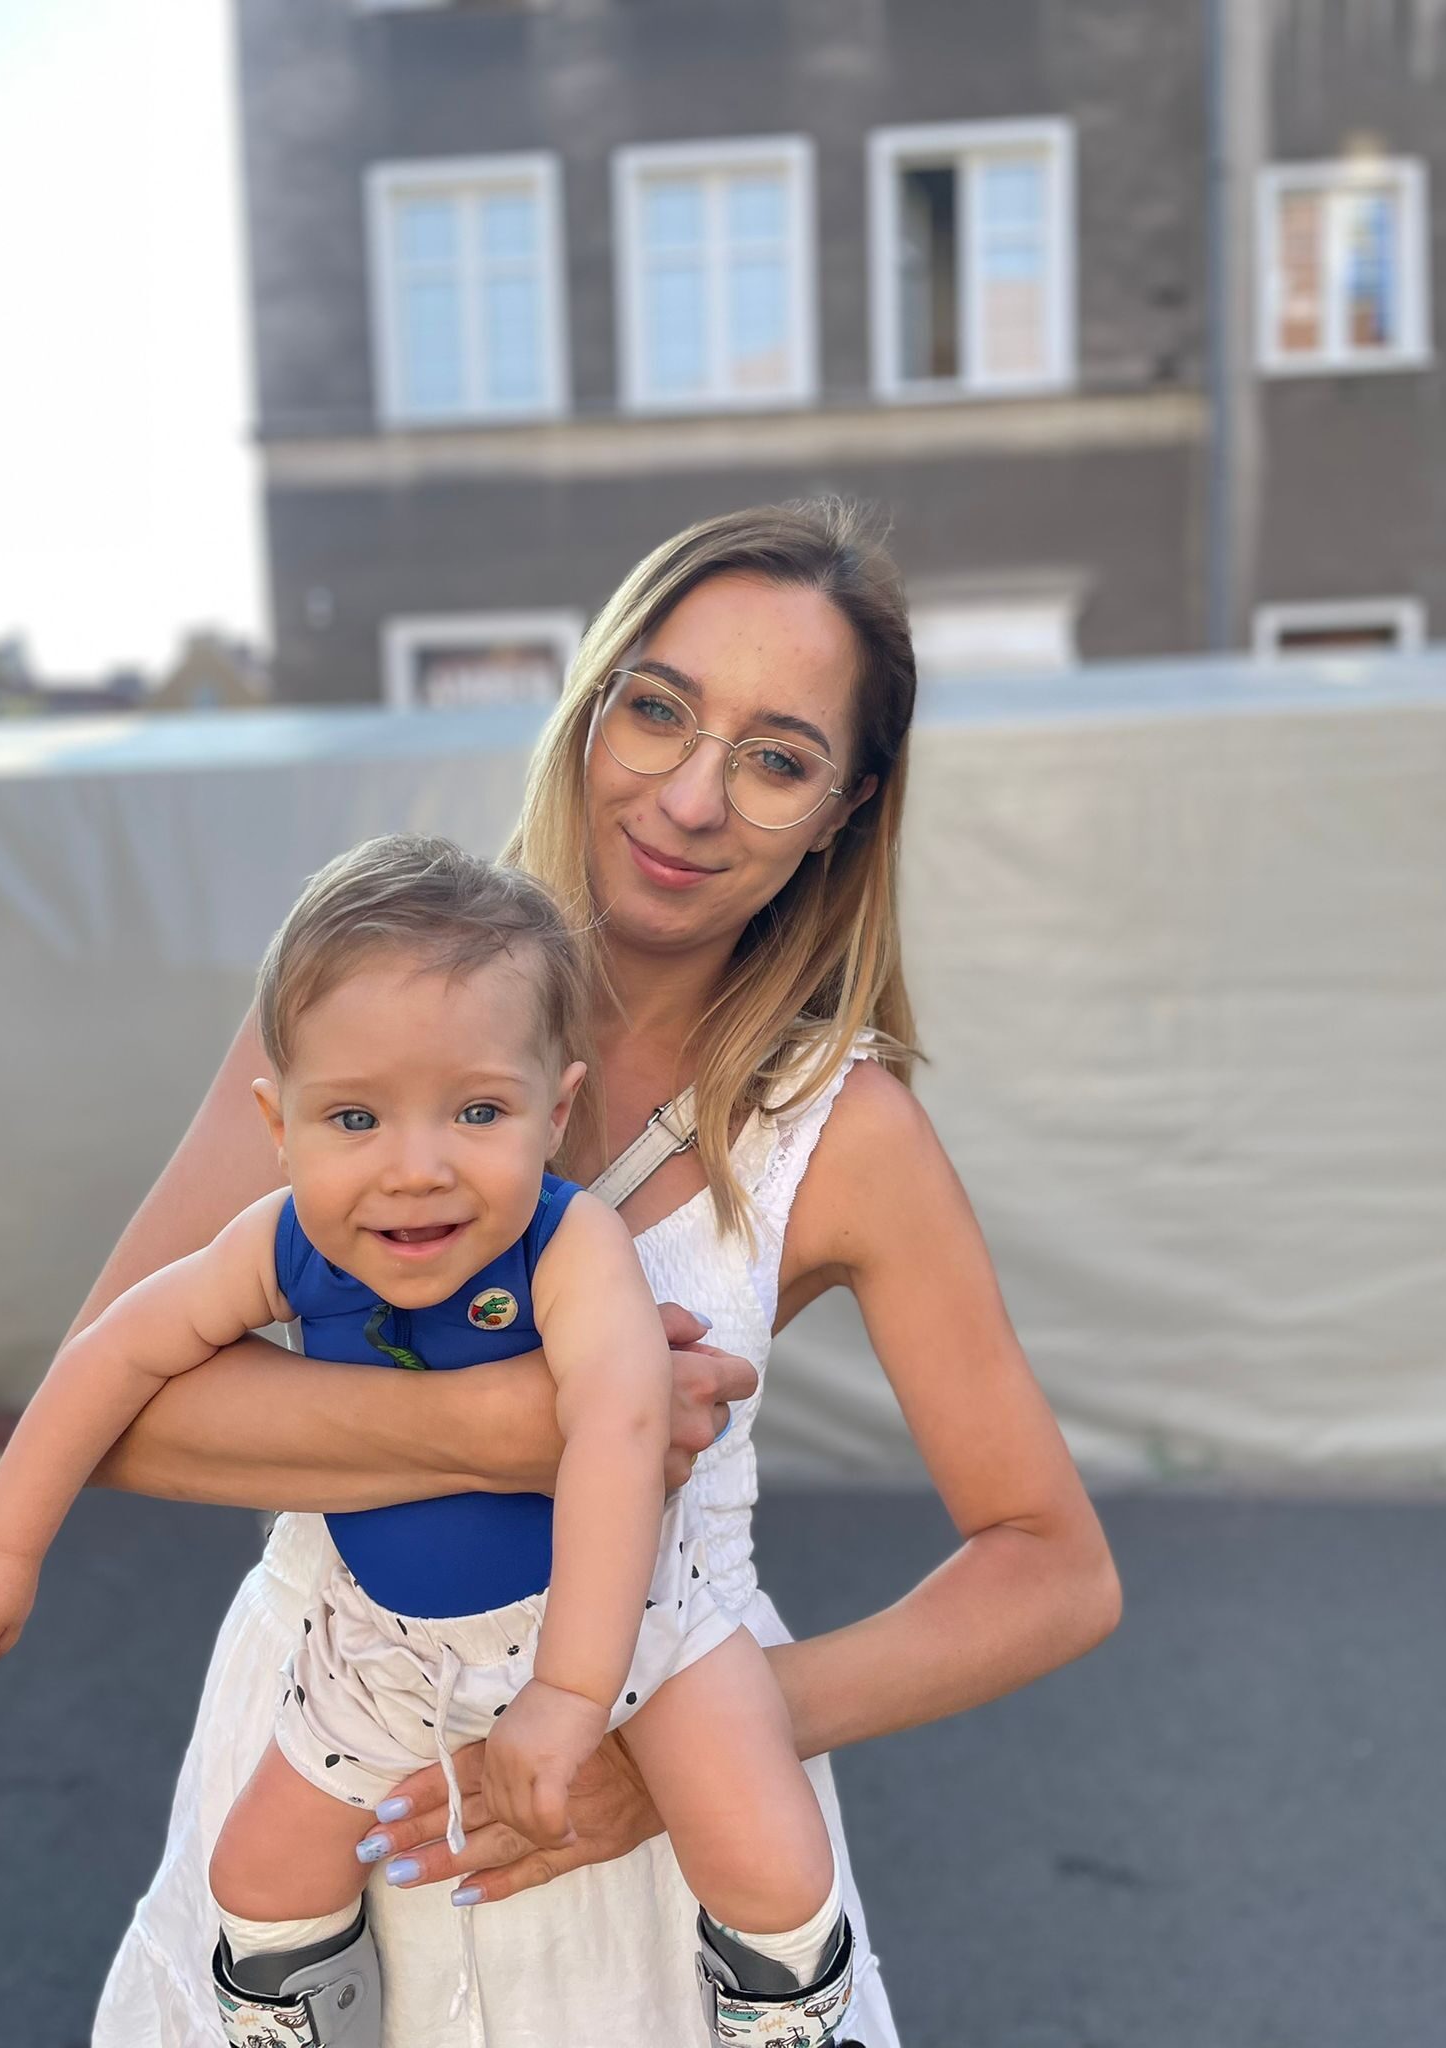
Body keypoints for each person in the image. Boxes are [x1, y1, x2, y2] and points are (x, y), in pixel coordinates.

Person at [78, 497, 1120, 2048]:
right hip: (327, 1758)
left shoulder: (845, 1129)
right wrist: (503, 1428)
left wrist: (691, 1742)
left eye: (777, 760)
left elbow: (1053, 1565)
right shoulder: (368, 1000)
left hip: (663, 1837)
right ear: (590, 702)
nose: (690, 799)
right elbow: (111, 1401)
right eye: (658, 711)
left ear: (844, 810)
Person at [0, 836, 858, 2048]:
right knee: (257, 1876)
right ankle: (306, 2021)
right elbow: (113, 1352)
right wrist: (1, 1546)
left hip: (623, 1617)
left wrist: (572, 1691)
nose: (416, 1170)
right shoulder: (279, 1243)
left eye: (478, 1110)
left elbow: (623, 1431)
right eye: (355, 1117)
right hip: (386, 1646)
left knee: (768, 1849)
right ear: (280, 1122)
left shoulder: (569, 1247)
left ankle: (783, 2009)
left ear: (555, 1110)